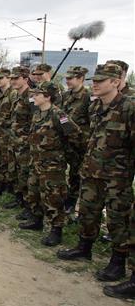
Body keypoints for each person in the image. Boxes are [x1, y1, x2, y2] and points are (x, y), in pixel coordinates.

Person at [57, 64, 134, 299]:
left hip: (116, 177)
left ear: (116, 82)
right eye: (95, 79)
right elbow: (91, 138)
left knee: (118, 220)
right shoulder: (95, 107)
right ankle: (84, 248)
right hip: (92, 172)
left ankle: (117, 262)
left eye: (102, 80)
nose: (96, 83)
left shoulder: (129, 108)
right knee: (88, 212)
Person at [19, 82, 82, 246]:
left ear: (48, 96)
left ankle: (56, 230)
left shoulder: (59, 115)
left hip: (52, 166)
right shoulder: (38, 113)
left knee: (53, 198)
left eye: (38, 94)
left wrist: (65, 153)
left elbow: (75, 135)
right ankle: (36, 219)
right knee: (33, 192)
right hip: (36, 162)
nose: (34, 96)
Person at [60, 66, 91, 212]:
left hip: (80, 142)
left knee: (76, 174)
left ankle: (72, 201)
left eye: (70, 78)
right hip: (65, 141)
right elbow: (62, 116)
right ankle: (64, 196)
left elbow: (92, 122)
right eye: (66, 78)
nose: (68, 81)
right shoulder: (66, 95)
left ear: (80, 79)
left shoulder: (88, 97)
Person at [9, 66, 34, 220]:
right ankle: (19, 200)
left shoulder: (30, 96)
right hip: (16, 141)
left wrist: (27, 140)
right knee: (18, 171)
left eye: (16, 78)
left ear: (25, 79)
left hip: (26, 142)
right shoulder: (18, 95)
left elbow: (35, 120)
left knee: (26, 174)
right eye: (11, 78)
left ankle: (29, 206)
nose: (13, 81)